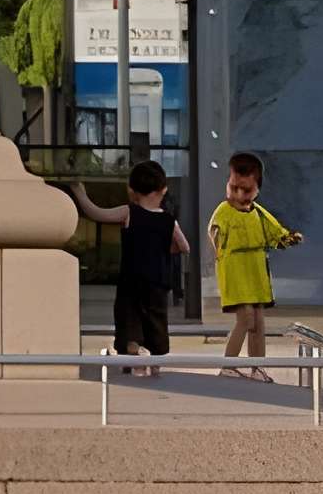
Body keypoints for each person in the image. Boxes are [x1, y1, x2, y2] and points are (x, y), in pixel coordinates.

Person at [69, 162, 190, 373]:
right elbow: (184, 247)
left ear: (132, 190)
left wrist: (80, 194)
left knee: (129, 316)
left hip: (131, 279)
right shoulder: (169, 221)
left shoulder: (129, 212)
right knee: (156, 320)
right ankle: (154, 359)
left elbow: (97, 213)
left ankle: (132, 346)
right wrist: (163, 248)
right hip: (158, 281)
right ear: (164, 189)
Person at [208, 150, 303, 380]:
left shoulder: (258, 213)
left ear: (257, 189)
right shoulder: (224, 211)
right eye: (234, 187)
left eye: (247, 190)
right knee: (245, 319)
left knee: (258, 322)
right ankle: (228, 365)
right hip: (235, 271)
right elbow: (215, 231)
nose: (239, 195)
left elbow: (274, 232)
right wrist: (219, 242)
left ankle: (257, 367)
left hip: (256, 271)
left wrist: (286, 238)